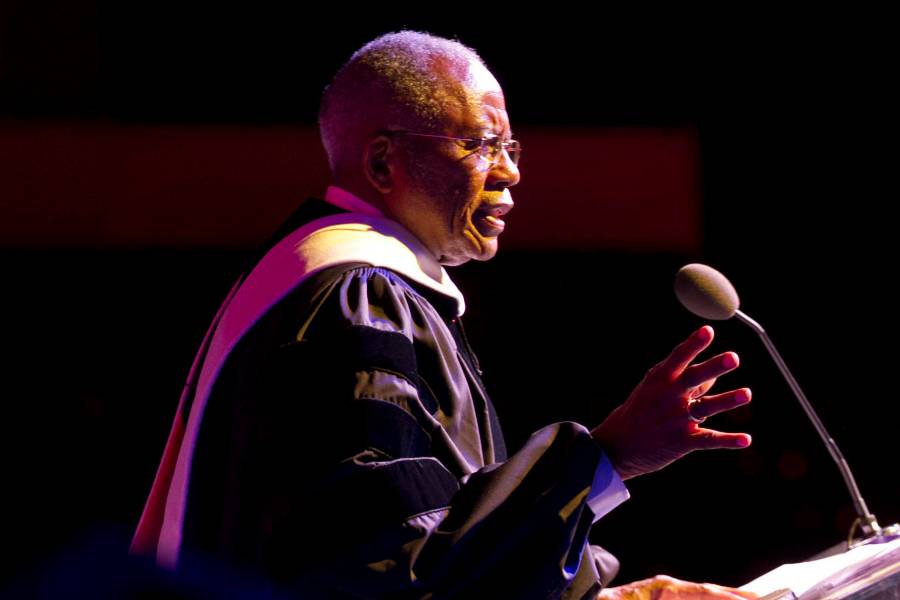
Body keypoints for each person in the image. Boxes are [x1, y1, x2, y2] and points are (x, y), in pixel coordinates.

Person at [131, 31, 756, 599]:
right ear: (382, 163)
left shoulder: (336, 282)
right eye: (481, 145)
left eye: (510, 145)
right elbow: (398, 568)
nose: (510, 171)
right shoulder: (357, 297)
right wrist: (607, 454)